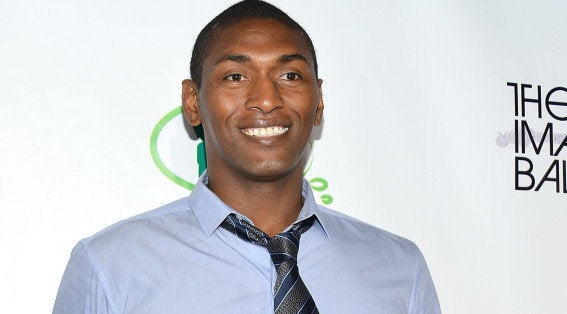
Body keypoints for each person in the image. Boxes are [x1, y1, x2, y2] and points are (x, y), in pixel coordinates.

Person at [53, 1, 441, 313]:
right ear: (193, 102)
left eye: (289, 75)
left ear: (319, 100)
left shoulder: (399, 268)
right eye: (236, 77)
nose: (267, 99)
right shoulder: (110, 266)